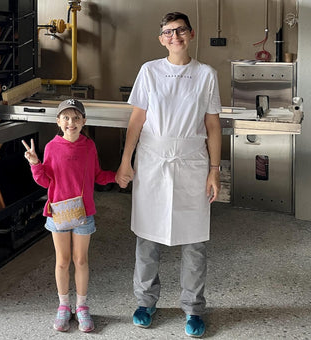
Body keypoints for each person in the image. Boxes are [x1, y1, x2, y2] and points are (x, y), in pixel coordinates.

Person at [115, 12, 222, 338]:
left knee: (194, 242)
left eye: (179, 31)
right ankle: (145, 302)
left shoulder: (206, 74)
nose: (174, 37)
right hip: (153, 161)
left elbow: (212, 125)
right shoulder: (150, 71)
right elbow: (137, 120)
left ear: (190, 34)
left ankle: (193, 308)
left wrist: (215, 171)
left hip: (192, 163)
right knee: (147, 238)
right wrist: (125, 161)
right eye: (167, 32)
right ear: (161, 38)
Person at [22, 98, 116, 333]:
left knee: (81, 260)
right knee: (62, 261)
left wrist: (118, 176)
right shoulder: (52, 147)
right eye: (65, 117)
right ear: (58, 121)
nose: (70, 122)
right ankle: (64, 306)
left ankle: (82, 307)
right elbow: (45, 181)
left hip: (84, 213)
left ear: (84, 121)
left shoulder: (89, 146)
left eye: (76, 118)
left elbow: (97, 175)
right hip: (58, 213)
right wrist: (35, 163)